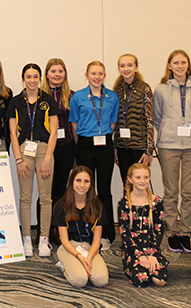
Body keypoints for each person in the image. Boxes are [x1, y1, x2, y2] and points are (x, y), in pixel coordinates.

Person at [153, 50, 191, 253]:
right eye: (175, 62)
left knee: (189, 190)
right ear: (169, 66)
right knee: (170, 191)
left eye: (183, 62)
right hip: (168, 144)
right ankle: (172, 232)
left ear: (188, 64)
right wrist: (169, 128)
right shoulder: (160, 90)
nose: (179, 66)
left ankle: (186, 231)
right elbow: (157, 117)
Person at [8, 63, 59, 258]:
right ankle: (26, 238)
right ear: (23, 78)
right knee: (25, 197)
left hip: (45, 149)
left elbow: (54, 131)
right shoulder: (16, 102)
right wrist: (18, 159)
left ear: (40, 78)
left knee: (46, 197)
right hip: (24, 150)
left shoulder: (47, 100)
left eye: (35, 76)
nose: (32, 80)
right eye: (28, 77)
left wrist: (47, 159)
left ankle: (44, 238)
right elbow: (12, 133)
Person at [69, 61, 119, 251]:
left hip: (105, 143)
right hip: (85, 144)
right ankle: (84, 232)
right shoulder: (78, 97)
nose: (97, 77)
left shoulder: (112, 97)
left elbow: (112, 123)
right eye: (93, 74)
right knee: (83, 189)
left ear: (104, 75)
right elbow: (74, 123)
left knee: (104, 191)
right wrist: (80, 144)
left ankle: (106, 233)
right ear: (86, 75)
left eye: (100, 74)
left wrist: (104, 136)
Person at [52, 166, 109, 288]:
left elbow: (97, 240)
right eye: (78, 180)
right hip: (69, 247)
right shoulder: (61, 206)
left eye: (86, 181)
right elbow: (64, 240)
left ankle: (82, 266)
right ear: (71, 182)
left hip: (89, 248)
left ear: (91, 184)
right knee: (80, 281)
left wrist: (88, 258)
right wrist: (79, 257)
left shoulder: (98, 206)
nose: (82, 185)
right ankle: (64, 264)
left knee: (100, 281)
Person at [41, 58, 75, 243]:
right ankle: (44, 229)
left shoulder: (72, 96)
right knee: (45, 190)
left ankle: (58, 229)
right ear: (47, 74)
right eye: (53, 71)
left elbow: (75, 125)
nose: (57, 74)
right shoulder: (39, 96)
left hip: (65, 147)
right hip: (45, 149)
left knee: (61, 190)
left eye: (60, 71)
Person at [118, 163, 168, 287]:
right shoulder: (124, 203)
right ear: (130, 179)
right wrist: (140, 256)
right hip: (133, 249)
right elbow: (124, 233)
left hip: (152, 247)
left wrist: (152, 254)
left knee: (160, 281)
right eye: (138, 177)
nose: (142, 181)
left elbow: (159, 230)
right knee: (142, 280)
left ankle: (154, 263)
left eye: (146, 177)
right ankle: (137, 267)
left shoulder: (156, 202)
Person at [113, 54, 155, 184]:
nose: (126, 69)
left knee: (140, 184)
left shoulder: (144, 88)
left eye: (130, 65)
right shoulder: (116, 90)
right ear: (119, 69)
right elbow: (115, 120)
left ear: (136, 67)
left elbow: (149, 120)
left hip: (140, 147)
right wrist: (114, 147)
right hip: (122, 147)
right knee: (127, 184)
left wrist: (149, 150)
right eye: (122, 66)